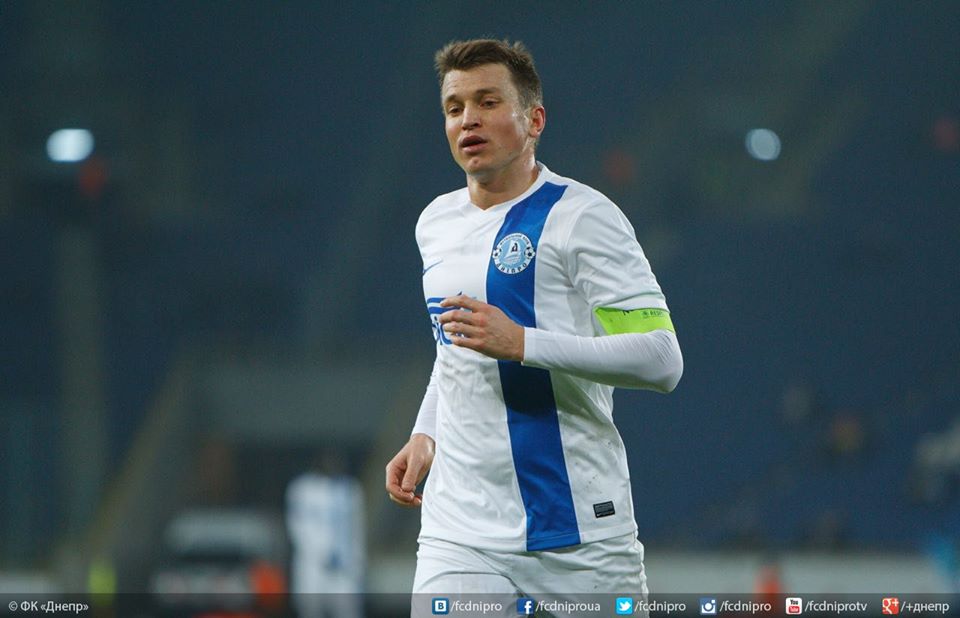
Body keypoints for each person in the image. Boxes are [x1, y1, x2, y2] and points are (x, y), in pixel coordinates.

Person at [384, 38, 683, 608]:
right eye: (454, 108)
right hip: (459, 530)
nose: (468, 119)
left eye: (488, 101)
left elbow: (662, 360)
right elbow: (454, 348)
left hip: (575, 530)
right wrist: (426, 431)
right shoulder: (435, 223)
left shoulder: (584, 218)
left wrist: (523, 342)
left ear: (534, 120)